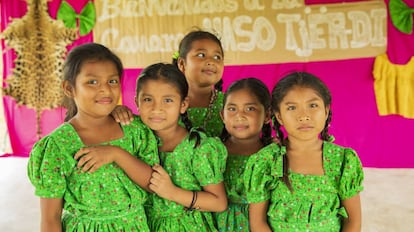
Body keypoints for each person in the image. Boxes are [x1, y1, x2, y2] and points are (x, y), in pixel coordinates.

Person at [27, 43, 158, 232]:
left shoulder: (134, 130)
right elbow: (50, 218)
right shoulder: (57, 145)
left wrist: (116, 154)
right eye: (92, 82)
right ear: (69, 88)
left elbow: (153, 184)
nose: (105, 89)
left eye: (112, 81)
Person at [110, 63, 228, 231]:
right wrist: (114, 111)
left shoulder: (198, 147)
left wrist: (172, 192)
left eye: (168, 100)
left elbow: (219, 202)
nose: (157, 108)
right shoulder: (136, 134)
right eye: (148, 99)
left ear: (183, 104)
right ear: (136, 102)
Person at [244, 72, 364, 231]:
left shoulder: (342, 160)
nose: (303, 116)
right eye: (292, 107)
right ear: (279, 116)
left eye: (313, 105)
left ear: (326, 111)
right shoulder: (266, 161)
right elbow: (258, 223)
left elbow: (353, 221)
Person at [112, 29, 225, 137]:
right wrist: (117, 113)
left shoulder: (230, 104)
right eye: (201, 55)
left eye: (217, 57)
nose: (211, 61)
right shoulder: (160, 100)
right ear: (181, 63)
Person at [214, 78, 276, 232]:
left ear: (267, 115)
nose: (239, 116)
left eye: (250, 109)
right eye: (232, 109)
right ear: (222, 115)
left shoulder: (273, 155)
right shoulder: (213, 152)